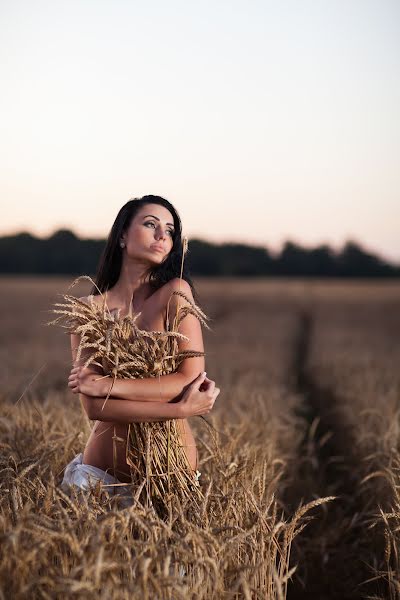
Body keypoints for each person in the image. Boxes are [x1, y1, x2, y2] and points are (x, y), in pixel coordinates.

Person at [60, 195, 220, 507]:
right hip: (98, 479)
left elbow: (189, 379)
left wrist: (110, 385)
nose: (163, 235)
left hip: (171, 476)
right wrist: (178, 410)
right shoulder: (87, 312)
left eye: (170, 230)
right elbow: (95, 408)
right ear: (122, 235)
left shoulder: (175, 293)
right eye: (151, 224)